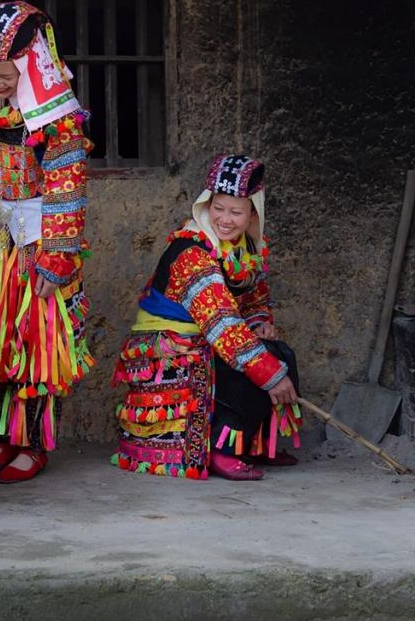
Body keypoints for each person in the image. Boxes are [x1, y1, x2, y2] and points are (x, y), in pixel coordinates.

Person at [0, 1, 93, 483]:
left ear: (33, 65)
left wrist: (58, 257)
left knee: (32, 341)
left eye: (6, 75)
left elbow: (67, 188)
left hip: (36, 246)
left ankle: (30, 443)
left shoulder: (59, 120)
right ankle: (1, 439)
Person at [112, 154, 302, 480]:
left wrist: (259, 322)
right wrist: (270, 374)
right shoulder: (192, 252)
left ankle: (252, 446)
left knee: (281, 355)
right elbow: (223, 325)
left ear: (253, 213)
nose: (225, 219)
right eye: (218, 208)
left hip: (207, 334)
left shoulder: (244, 247)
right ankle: (221, 450)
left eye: (236, 212)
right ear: (206, 204)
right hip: (172, 346)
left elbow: (254, 298)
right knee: (251, 369)